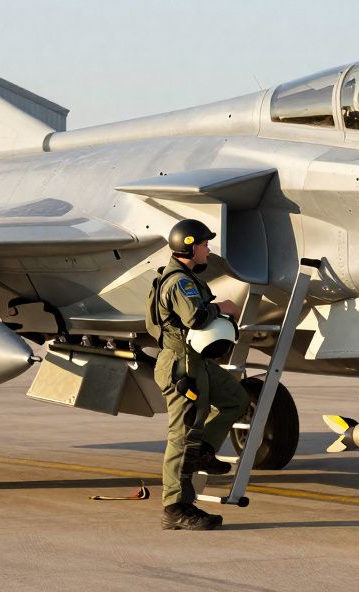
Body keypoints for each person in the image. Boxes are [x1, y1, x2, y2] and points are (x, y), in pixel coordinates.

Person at [151, 219, 247, 531]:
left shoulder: (186, 278)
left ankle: (204, 451)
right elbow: (194, 316)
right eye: (204, 244)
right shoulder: (180, 281)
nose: (208, 249)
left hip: (195, 359)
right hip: (181, 364)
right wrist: (223, 308)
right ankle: (175, 507)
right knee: (182, 435)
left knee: (235, 398)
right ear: (189, 247)